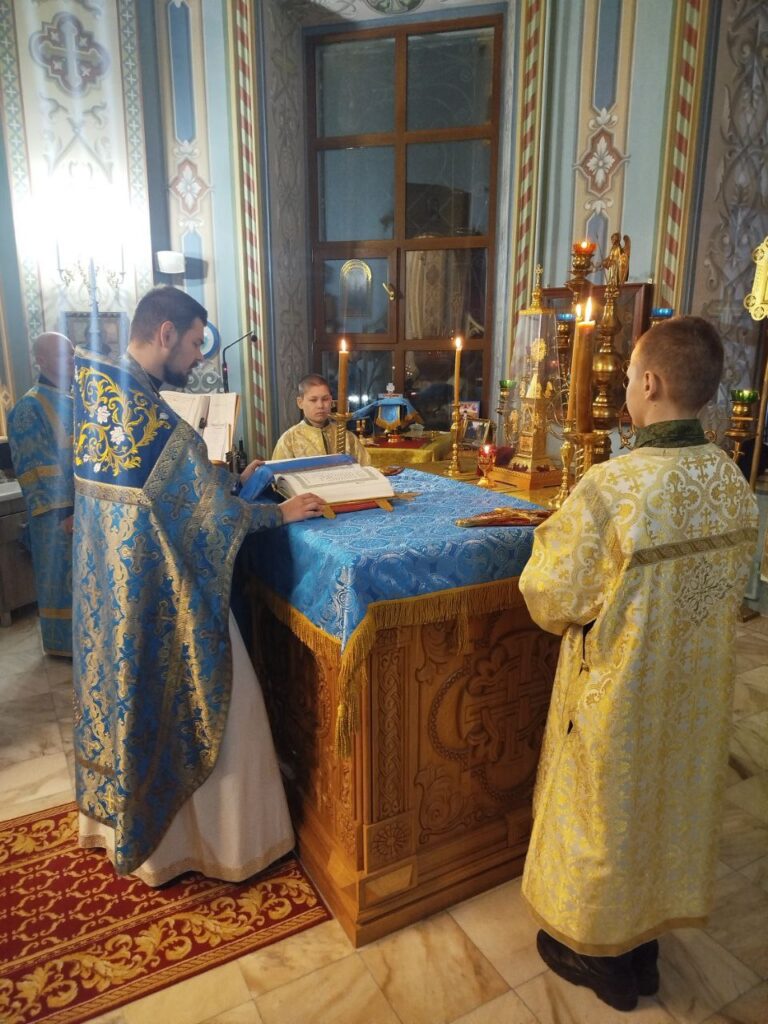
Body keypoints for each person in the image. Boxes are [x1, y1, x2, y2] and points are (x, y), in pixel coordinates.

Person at [518, 316, 758, 1012]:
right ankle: (644, 947)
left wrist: (545, 543)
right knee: (667, 809)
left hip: (621, 692)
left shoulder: (614, 486)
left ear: (649, 383)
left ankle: (604, 960)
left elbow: (552, 595)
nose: (624, 387)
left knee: (606, 815)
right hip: (696, 696)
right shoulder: (729, 480)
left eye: (627, 377)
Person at [72, 286, 324, 885]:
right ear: (165, 333)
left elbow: (161, 495)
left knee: (127, 701)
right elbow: (210, 521)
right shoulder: (155, 419)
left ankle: (127, 830)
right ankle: (220, 847)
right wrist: (278, 512)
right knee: (231, 708)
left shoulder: (100, 397)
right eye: (190, 344)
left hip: (111, 591)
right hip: (165, 594)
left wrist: (219, 478)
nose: (193, 360)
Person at [7, 332, 75, 657]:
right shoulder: (29, 407)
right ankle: (64, 644)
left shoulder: (73, 401)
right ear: (42, 360)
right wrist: (65, 512)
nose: (71, 361)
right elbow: (35, 466)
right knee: (61, 579)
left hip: (84, 509)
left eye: (72, 354)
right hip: (56, 517)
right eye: (63, 355)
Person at [272, 373, 371, 464]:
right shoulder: (289, 440)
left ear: (331, 400)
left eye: (325, 399)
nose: (320, 405)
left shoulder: (348, 437)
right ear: (300, 402)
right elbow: (278, 475)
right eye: (313, 400)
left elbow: (366, 468)